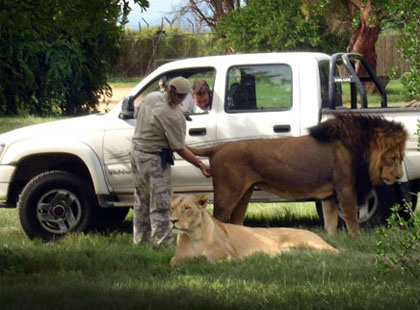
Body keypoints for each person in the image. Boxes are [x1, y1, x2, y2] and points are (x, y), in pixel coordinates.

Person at [130, 76, 212, 246]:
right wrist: (200, 164)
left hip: (136, 154)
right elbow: (179, 148)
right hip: (153, 159)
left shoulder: (151, 97)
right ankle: (162, 243)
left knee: (141, 201)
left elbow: (137, 114)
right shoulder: (174, 116)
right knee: (160, 204)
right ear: (182, 97)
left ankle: (140, 240)